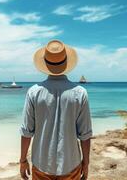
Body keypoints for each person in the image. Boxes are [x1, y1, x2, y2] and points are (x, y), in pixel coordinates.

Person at [19, 40, 92, 180]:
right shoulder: (80, 93)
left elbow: (26, 132)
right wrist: (86, 163)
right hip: (71, 164)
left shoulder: (34, 92)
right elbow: (85, 134)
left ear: (45, 63)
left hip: (41, 165)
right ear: (66, 63)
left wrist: (22, 160)